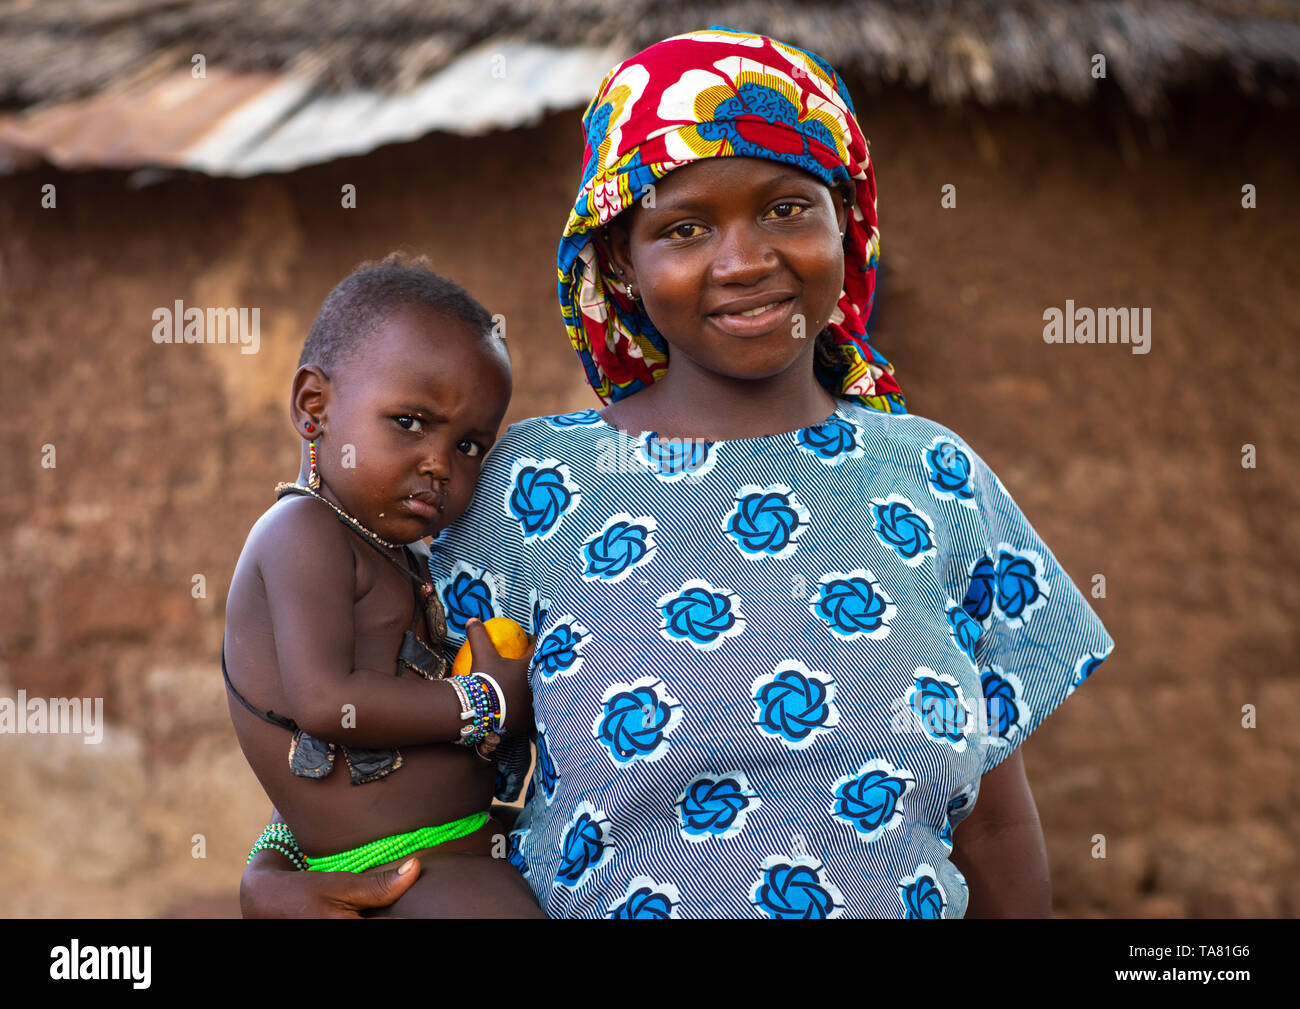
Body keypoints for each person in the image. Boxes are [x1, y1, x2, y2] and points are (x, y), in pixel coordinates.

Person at [242, 28, 1113, 919]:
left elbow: (997, 829)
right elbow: (375, 726)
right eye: (685, 228)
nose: (744, 262)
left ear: (846, 222)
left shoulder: (938, 478)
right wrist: (275, 868)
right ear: (620, 258)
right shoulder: (529, 491)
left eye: (787, 209)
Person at [224, 253, 543, 917]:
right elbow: (322, 702)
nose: (439, 465)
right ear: (315, 407)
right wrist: (484, 701)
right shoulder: (301, 531)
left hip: (440, 854)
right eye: (409, 422)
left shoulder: (402, 553)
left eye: (470, 447)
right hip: (395, 866)